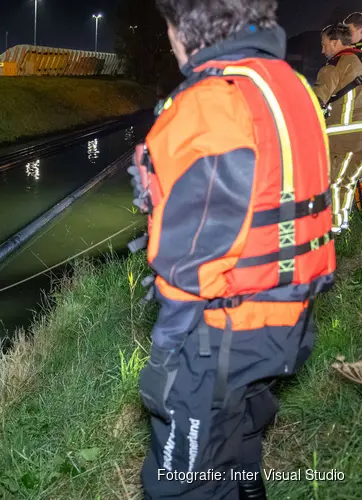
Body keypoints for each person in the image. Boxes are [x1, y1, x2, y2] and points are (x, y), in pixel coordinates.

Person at [128, 0, 336, 498]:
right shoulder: (291, 86)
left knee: (185, 482)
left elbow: (193, 260)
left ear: (185, 30)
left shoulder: (210, 103)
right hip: (291, 314)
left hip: (222, 331)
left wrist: (166, 356)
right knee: (239, 441)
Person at [313, 23, 362, 233]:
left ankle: (333, 229)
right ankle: (342, 224)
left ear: (335, 42)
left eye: (324, 45)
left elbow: (317, 99)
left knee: (333, 181)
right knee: (349, 180)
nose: (323, 51)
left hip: (343, 134)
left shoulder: (335, 65)